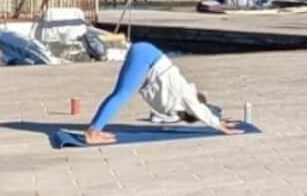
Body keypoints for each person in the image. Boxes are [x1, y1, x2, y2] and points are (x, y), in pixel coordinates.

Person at [85, 42, 240, 144]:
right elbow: (199, 108)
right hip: (146, 56)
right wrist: (218, 125)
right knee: (121, 95)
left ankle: (95, 130)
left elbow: (161, 117)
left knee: (119, 94)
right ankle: (93, 133)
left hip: (146, 53)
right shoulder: (187, 95)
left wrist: (218, 120)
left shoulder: (176, 103)